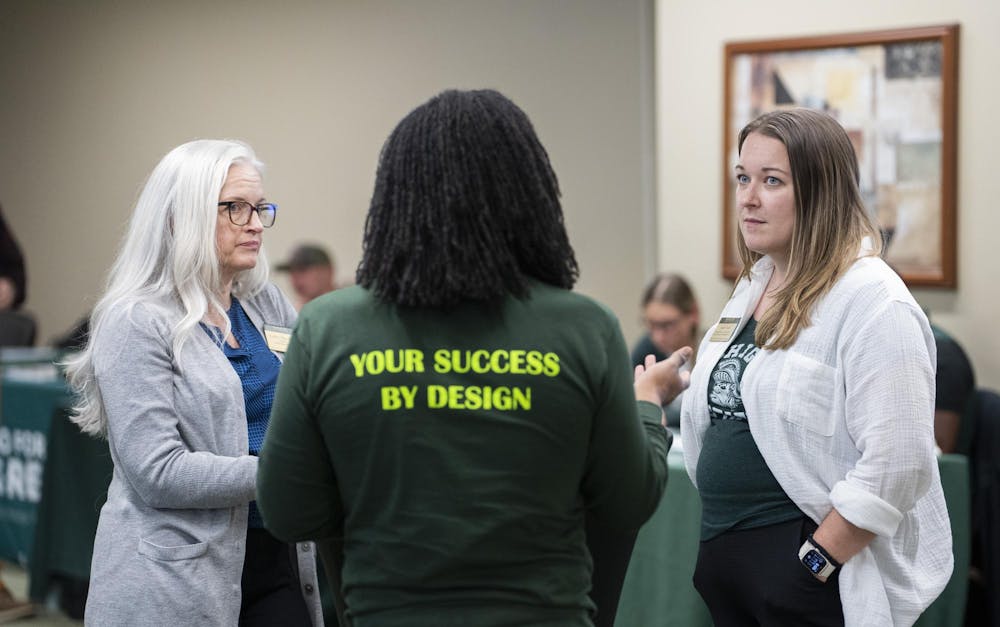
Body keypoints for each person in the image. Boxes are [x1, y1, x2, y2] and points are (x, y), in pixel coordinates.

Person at [257, 89, 691, 627]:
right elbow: (627, 502)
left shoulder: (327, 328)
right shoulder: (585, 327)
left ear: (394, 197)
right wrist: (647, 405)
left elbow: (288, 509)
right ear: (531, 197)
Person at [681, 108, 952, 626]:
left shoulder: (873, 300)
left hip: (805, 575)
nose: (748, 197)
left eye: (772, 181)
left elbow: (899, 462)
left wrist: (814, 563)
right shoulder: (758, 281)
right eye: (743, 178)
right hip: (730, 561)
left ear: (819, 191)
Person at [63, 140, 322, 626]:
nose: (254, 223)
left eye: (260, 208)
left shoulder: (265, 303)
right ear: (182, 217)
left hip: (275, 553)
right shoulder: (135, 320)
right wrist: (283, 473)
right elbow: (158, 472)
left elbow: (310, 402)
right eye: (235, 207)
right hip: (174, 575)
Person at [630, 272, 699, 427]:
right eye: (651, 325)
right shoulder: (646, 349)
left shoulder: (711, 352)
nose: (657, 337)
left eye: (666, 325)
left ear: (693, 313)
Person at [275, 243, 337, 308]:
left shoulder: (346, 307)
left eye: (302, 270)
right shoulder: (292, 313)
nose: (295, 278)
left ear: (328, 271)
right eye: (291, 272)